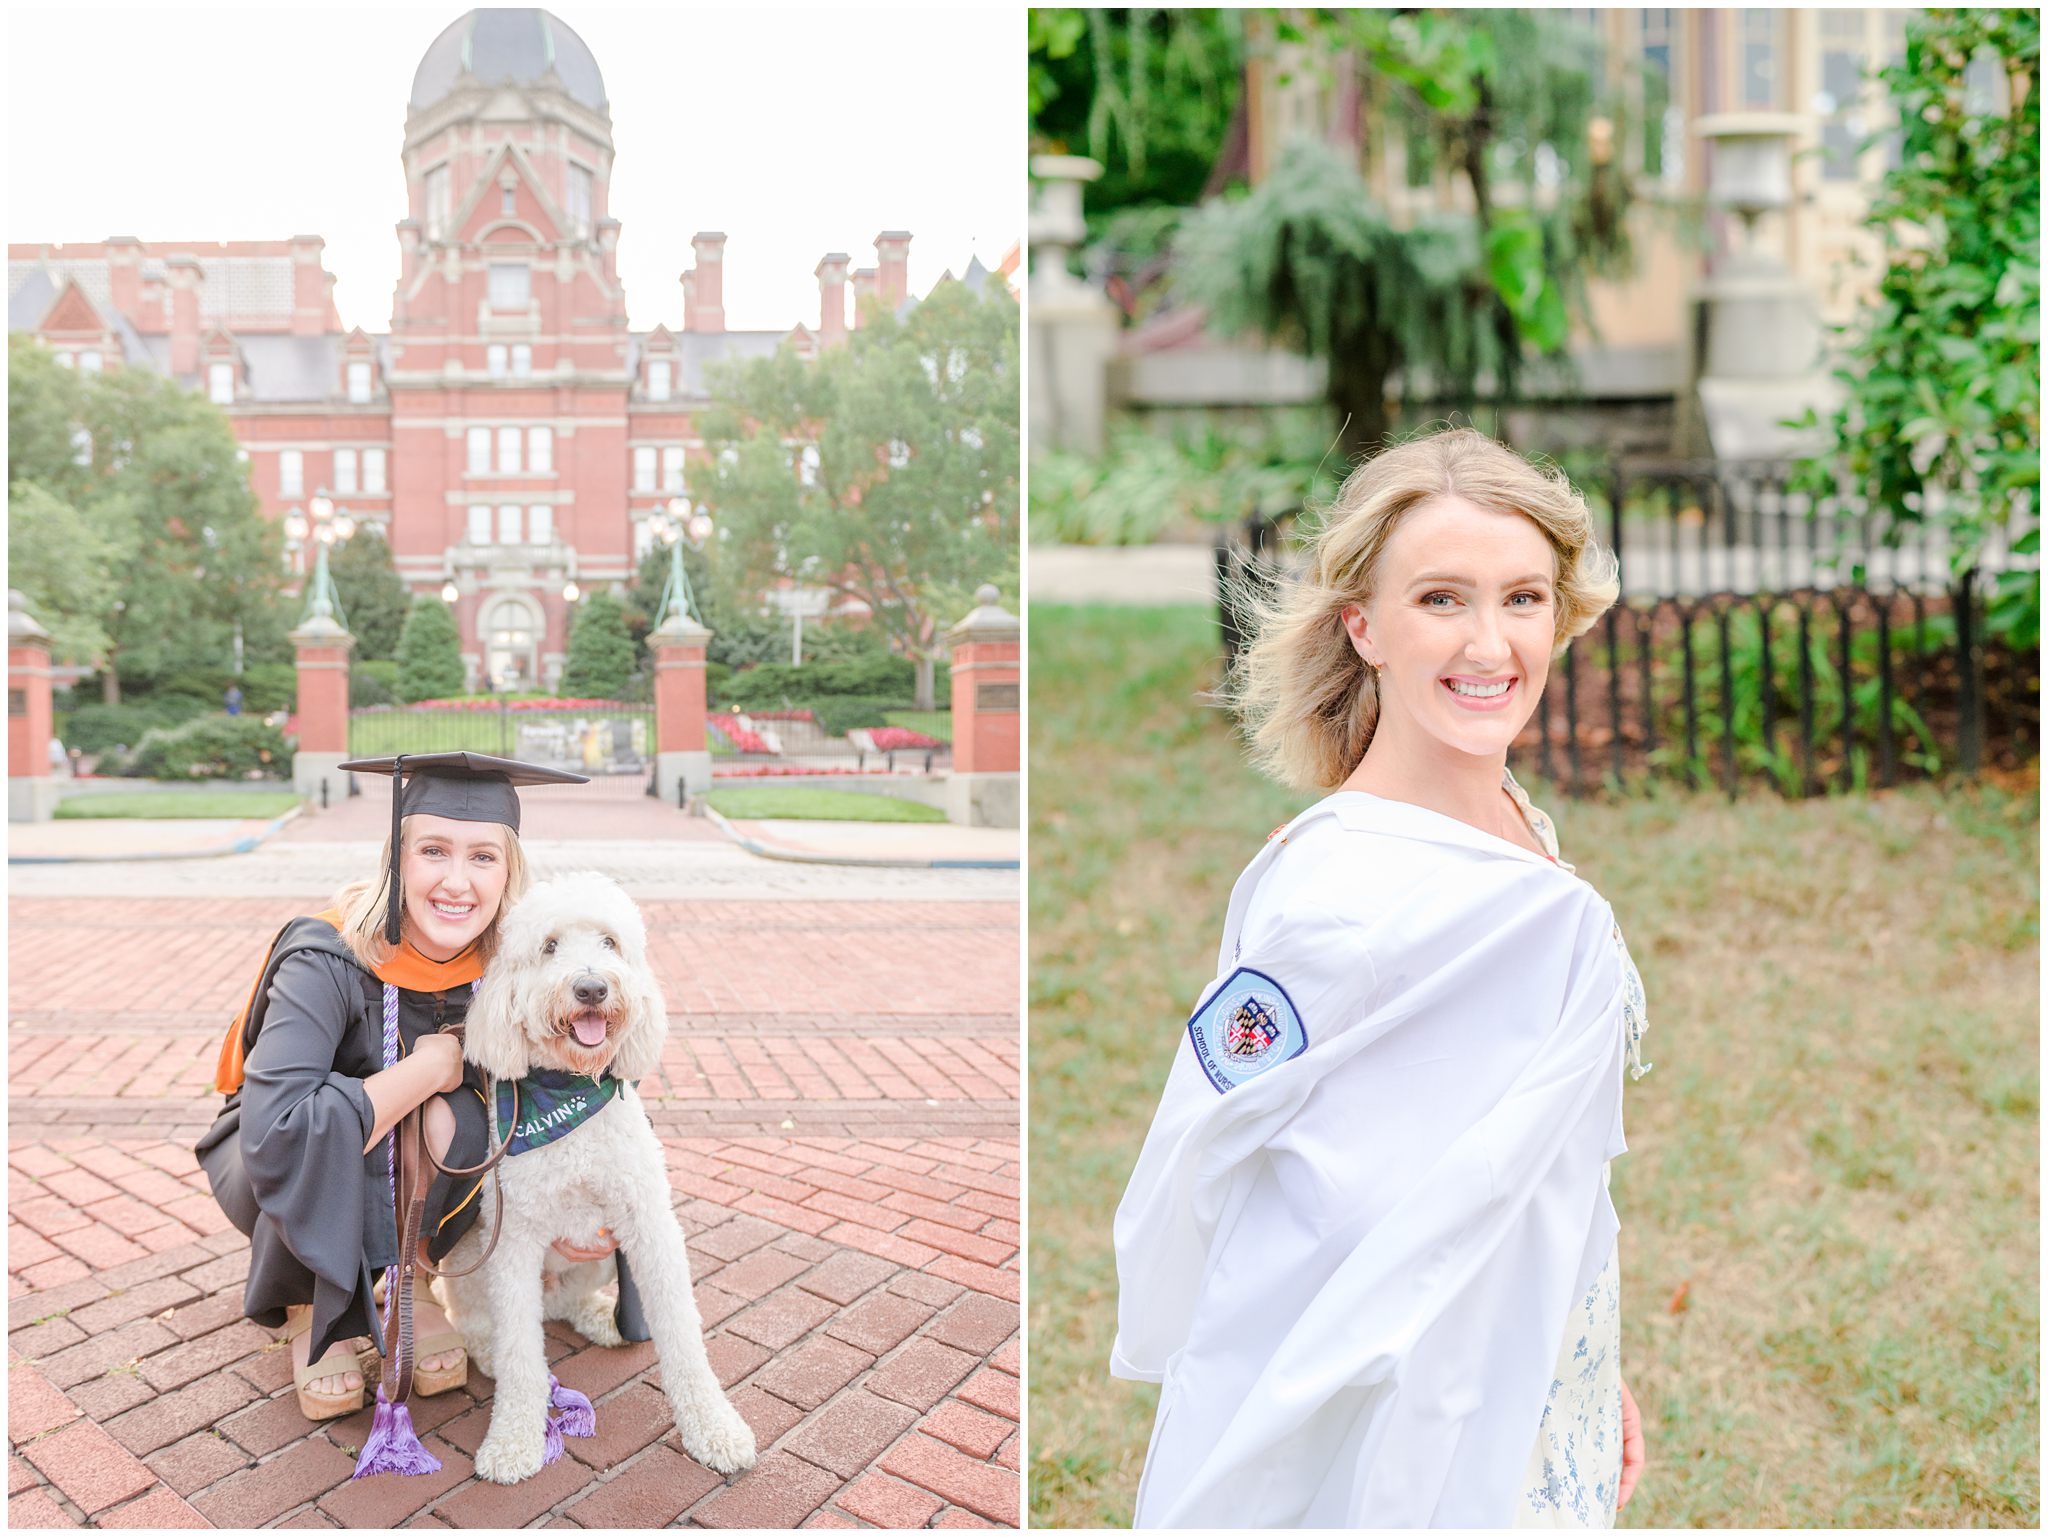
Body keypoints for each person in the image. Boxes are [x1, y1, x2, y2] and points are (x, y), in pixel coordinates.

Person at [1112, 428, 1652, 1527]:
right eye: (1441, 599)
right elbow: (1204, 1158)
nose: (1490, 643)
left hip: (1520, 1372)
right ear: (1362, 623)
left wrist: (1579, 1361)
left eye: (1521, 598)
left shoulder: (1515, 836)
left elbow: (1533, 1176)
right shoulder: (1334, 896)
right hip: (1403, 1428)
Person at [195, 751, 638, 1421]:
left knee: (458, 1118)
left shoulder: (507, 970)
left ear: (509, 871)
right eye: (434, 850)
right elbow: (277, 1133)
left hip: (412, 1169)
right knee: (402, 1106)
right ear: (398, 858)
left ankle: (417, 1282)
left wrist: (589, 1215)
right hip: (274, 1164)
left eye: (483, 857)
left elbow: (580, 1092)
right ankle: (313, 1302)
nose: (457, 881)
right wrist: (424, 1070)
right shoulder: (325, 956)